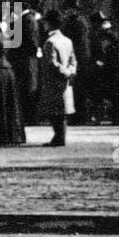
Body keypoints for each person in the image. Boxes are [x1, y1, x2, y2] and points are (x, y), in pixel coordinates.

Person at [39, 9, 77, 147]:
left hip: (53, 81)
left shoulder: (50, 42)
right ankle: (60, 136)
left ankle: (59, 136)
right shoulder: (67, 40)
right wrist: (70, 72)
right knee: (62, 111)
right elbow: (73, 60)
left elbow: (52, 63)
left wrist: (64, 72)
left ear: (49, 24)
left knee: (54, 112)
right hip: (65, 81)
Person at [91, 11, 119, 125]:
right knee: (117, 97)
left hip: (112, 70)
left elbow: (105, 53)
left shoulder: (106, 35)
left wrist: (99, 63)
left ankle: (112, 116)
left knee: (111, 95)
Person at [7, 0, 40, 124]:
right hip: (22, 59)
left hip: (25, 60)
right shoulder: (23, 19)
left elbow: (31, 43)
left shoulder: (27, 20)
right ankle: (27, 117)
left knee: (27, 88)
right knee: (24, 88)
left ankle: (30, 118)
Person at [60, 0, 92, 124]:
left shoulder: (77, 22)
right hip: (76, 58)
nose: (66, 12)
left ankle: (80, 116)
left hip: (78, 59)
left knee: (78, 89)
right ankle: (76, 115)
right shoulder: (74, 21)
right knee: (75, 88)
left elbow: (78, 43)